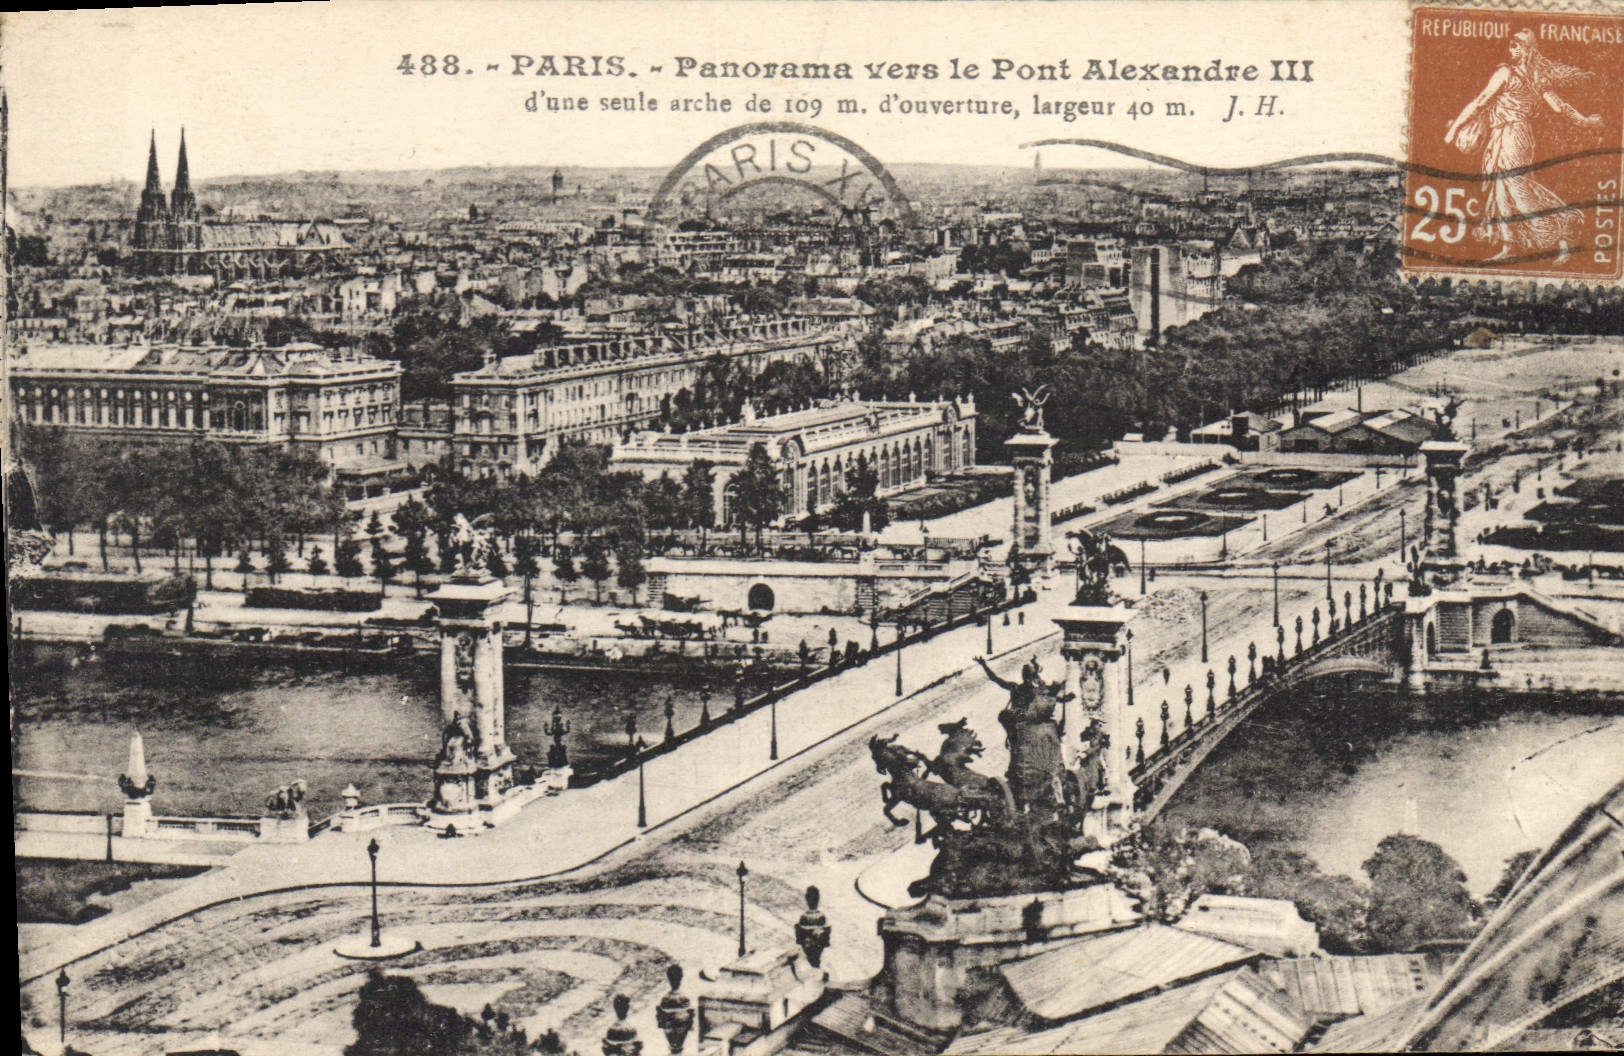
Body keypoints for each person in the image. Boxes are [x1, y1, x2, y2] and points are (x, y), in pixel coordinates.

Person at [1445, 29, 1601, 264]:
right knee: (1501, 193)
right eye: (1511, 46)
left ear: (1528, 49)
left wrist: (1453, 129)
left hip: (1512, 135)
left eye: (1517, 46)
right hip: (1508, 135)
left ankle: (1559, 238)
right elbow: (1559, 107)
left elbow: (1480, 102)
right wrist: (1585, 121)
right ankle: (1510, 246)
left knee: (1518, 191)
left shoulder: (1506, 73)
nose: (1512, 51)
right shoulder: (1536, 76)